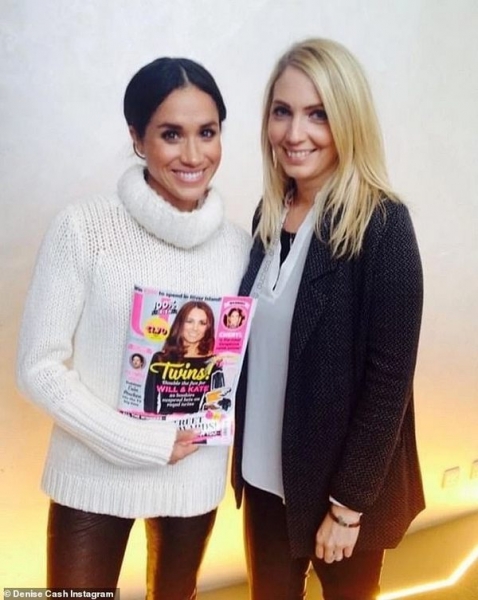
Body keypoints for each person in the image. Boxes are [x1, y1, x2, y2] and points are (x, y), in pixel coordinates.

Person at [16, 56, 250, 598]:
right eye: (171, 134)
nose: (193, 155)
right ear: (137, 137)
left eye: (207, 132)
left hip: (193, 478)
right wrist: (137, 442)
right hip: (93, 473)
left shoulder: (240, 247)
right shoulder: (83, 228)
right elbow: (37, 367)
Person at [232, 38, 424, 600]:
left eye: (318, 114)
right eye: (283, 112)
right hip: (263, 480)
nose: (296, 133)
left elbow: (389, 382)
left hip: (341, 493)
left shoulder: (382, 224)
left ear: (349, 120)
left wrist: (347, 507)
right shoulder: (268, 214)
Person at [144, 301, 222, 414]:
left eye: (202, 323)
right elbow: (149, 404)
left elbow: (214, 405)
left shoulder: (212, 361)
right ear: (180, 323)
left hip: (196, 423)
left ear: (208, 328)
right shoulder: (161, 359)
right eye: (189, 321)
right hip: (162, 423)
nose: (195, 328)